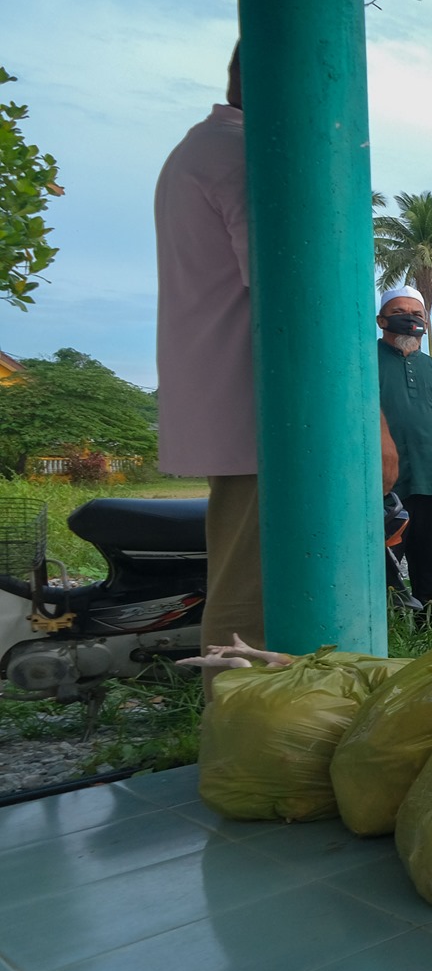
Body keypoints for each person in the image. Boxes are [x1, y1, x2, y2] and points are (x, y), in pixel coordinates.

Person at [155, 45, 262, 654]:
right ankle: (250, 744)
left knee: (247, 595)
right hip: (263, 417)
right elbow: (293, 297)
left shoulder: (199, 150)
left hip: (238, 415)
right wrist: (366, 417)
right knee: (254, 610)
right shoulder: (240, 154)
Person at [374, 284, 432, 613]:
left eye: (417, 314)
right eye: (399, 313)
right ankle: (387, 637)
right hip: (385, 490)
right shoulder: (365, 362)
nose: (409, 319)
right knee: (383, 573)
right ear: (382, 321)